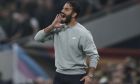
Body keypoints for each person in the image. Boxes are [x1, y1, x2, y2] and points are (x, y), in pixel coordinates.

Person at [34, 0, 99, 84]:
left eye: (66, 9)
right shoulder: (57, 29)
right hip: (59, 75)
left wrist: (90, 75)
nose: (62, 11)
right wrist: (52, 26)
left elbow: (94, 55)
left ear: (74, 14)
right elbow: (37, 38)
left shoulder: (84, 33)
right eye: (63, 9)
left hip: (77, 77)